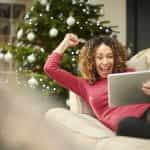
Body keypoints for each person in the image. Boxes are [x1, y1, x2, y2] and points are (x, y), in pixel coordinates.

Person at [44, 33, 150, 139]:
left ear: (116, 58)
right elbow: (50, 68)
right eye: (99, 57)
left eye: (110, 56)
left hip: (147, 112)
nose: (105, 62)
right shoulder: (83, 84)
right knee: (126, 124)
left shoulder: (129, 72)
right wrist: (65, 43)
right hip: (128, 125)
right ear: (92, 61)